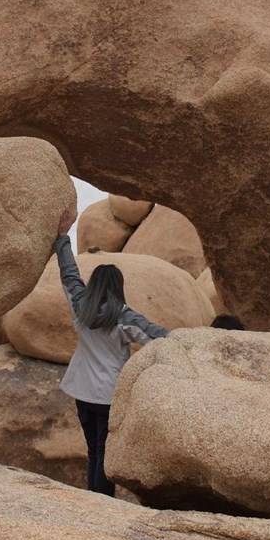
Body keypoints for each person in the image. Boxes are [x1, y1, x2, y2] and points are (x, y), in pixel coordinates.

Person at [53, 209, 169, 497]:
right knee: (106, 456)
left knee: (94, 451)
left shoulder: (81, 306)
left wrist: (62, 237)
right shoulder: (123, 315)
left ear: (94, 286)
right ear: (117, 287)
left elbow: (69, 273)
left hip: (81, 391)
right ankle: (101, 504)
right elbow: (158, 337)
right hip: (108, 395)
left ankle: (93, 499)